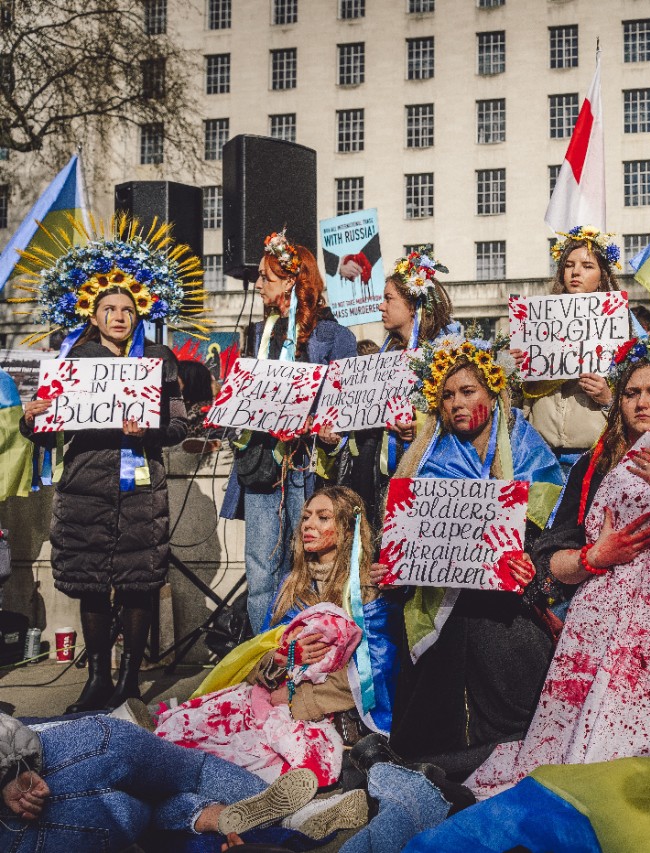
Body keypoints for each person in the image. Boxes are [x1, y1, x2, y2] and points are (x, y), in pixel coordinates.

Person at [468, 337, 650, 802]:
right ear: (618, 402)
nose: (642, 402)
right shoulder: (594, 468)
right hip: (597, 636)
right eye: (631, 393)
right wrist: (595, 557)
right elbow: (546, 565)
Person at [15, 215, 200, 714]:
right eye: (109, 309)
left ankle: (130, 683)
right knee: (91, 585)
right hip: (86, 488)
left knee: (139, 584)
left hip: (141, 491)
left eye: (127, 310)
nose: (119, 317)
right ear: (94, 317)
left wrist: (150, 431)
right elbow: (47, 431)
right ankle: (97, 679)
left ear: (138, 316)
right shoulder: (74, 359)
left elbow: (179, 428)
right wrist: (32, 418)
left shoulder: (159, 359)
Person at [387, 334, 565, 774]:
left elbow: (551, 512)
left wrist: (523, 548)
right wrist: (390, 563)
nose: (457, 404)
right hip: (445, 602)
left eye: (467, 391)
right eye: (447, 395)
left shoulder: (525, 445)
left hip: (509, 602)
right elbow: (409, 533)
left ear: (492, 391)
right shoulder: (427, 456)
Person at [158, 487, 388, 786]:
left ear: (347, 529)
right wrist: (284, 656)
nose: (308, 525)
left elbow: (376, 672)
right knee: (187, 728)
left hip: (323, 708)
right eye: (306, 517)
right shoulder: (292, 585)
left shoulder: (366, 590)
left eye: (323, 518)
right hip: (273, 695)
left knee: (243, 753)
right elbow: (260, 656)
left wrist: (297, 699)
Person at [220, 231, 358, 632]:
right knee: (261, 570)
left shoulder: (336, 337)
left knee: (309, 567)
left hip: (308, 470)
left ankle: (308, 650)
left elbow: (348, 410)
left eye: (266, 277)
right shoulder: (259, 334)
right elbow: (241, 404)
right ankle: (266, 653)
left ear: (292, 283)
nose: (257, 285)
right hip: (264, 468)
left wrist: (333, 432)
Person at [0, 710, 348, 850]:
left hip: (47, 833)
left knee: (145, 817)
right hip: (84, 752)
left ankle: (211, 818)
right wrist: (11, 767)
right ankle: (294, 816)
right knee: (191, 770)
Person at [337, 249, 459, 527]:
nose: (381, 306)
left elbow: (460, 409)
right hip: (379, 474)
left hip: (428, 472)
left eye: (389, 299)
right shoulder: (386, 353)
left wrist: (422, 425)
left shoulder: (446, 352)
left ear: (413, 305)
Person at [522, 227, 624, 476]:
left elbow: (633, 393)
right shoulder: (536, 322)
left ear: (602, 276)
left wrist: (607, 398)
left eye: (587, 266)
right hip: (540, 458)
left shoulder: (621, 326)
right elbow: (517, 400)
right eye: (569, 265)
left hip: (593, 458)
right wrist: (514, 371)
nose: (575, 272)